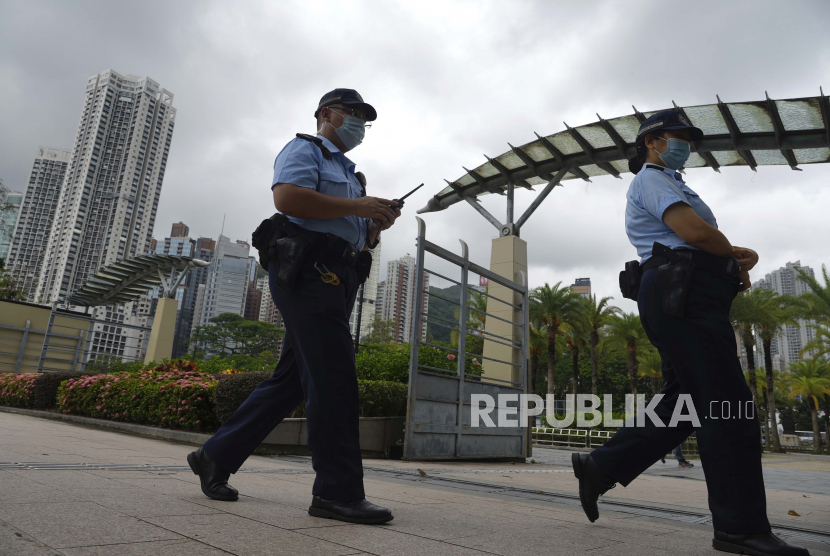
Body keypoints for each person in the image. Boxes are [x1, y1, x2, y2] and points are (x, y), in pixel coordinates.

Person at [571, 109, 810, 556]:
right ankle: (739, 527)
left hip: (685, 292)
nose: (686, 145)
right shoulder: (651, 177)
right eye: (679, 137)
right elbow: (694, 232)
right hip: (681, 292)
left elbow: (701, 237)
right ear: (653, 140)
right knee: (728, 405)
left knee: (686, 402)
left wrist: (728, 258)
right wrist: (732, 257)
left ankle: (601, 466)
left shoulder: (675, 181)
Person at [187, 89, 401, 525]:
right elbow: (287, 199)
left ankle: (215, 455)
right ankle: (336, 493)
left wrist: (375, 225)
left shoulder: (353, 175)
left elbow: (359, 235)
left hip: (341, 277)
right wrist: (359, 205)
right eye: (353, 114)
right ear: (328, 114)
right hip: (307, 271)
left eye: (365, 119)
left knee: (293, 381)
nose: (360, 124)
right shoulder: (305, 149)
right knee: (334, 375)